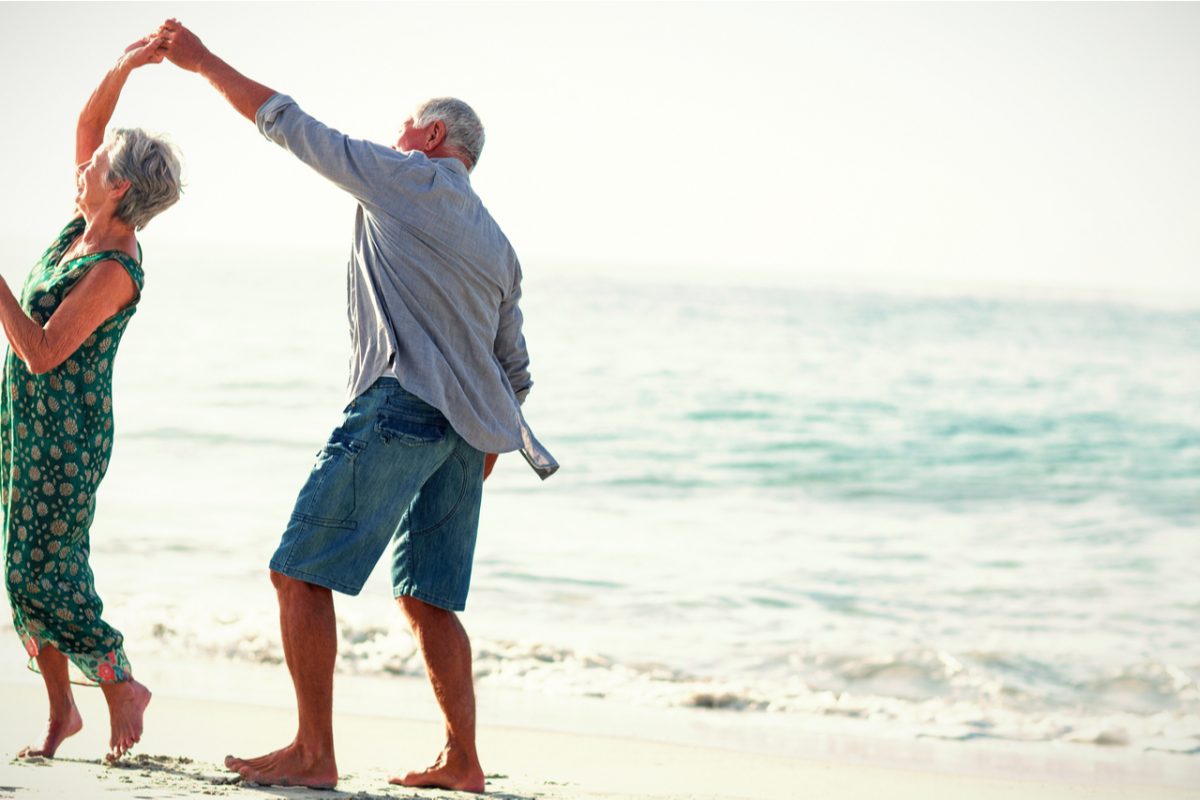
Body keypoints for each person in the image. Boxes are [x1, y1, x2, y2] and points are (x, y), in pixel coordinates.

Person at [159, 19, 539, 793]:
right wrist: (486, 444)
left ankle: (313, 752)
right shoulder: (498, 241)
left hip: (402, 408)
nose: (396, 135)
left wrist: (200, 62)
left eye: (406, 125)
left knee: (298, 574)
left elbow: (289, 125)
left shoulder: (407, 176)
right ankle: (463, 762)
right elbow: (515, 367)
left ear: (431, 135)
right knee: (429, 598)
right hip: (469, 436)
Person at [0, 34, 182, 763]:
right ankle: (62, 714)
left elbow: (42, 353)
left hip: (66, 437)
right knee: (22, 566)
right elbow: (86, 129)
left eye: (99, 166)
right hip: (24, 425)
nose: (84, 166)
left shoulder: (115, 267)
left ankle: (119, 684)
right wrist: (124, 67)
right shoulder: (85, 225)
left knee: (44, 571)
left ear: (121, 190)